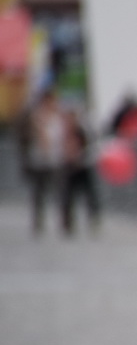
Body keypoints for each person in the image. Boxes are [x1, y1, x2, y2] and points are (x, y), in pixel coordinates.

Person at [24, 89, 72, 236]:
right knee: (39, 192)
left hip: (56, 159)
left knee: (62, 191)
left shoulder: (59, 117)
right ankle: (38, 221)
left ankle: (65, 222)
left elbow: (65, 135)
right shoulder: (37, 116)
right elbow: (38, 136)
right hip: (40, 160)